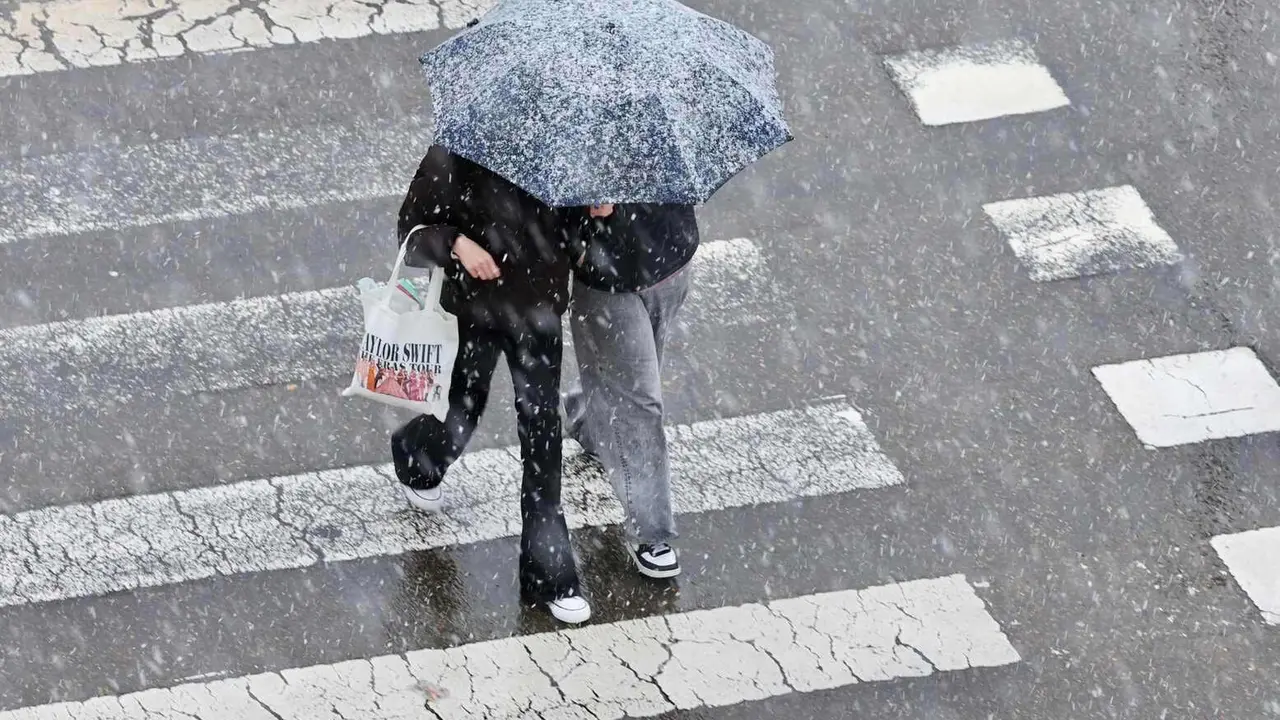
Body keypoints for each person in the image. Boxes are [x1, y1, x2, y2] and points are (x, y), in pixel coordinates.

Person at [390, 144, 592, 624]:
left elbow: (580, 242)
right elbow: (413, 231)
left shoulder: (566, 150)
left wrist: (593, 213)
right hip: (473, 309)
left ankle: (550, 577)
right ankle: (418, 458)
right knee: (464, 407)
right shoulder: (459, 149)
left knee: (542, 436)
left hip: (538, 314)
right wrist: (459, 243)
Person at [563, 202, 699, 579]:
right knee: (639, 404)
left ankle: (586, 420)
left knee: (629, 382)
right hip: (609, 279)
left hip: (671, 261)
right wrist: (583, 216)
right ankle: (651, 532)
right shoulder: (572, 148)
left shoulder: (654, 144)